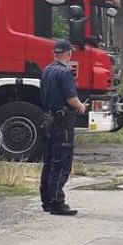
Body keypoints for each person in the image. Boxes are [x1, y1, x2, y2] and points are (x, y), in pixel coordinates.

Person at [39, 39, 87, 216]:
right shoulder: (65, 73)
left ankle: (46, 200)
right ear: (69, 54)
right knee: (61, 163)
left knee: (49, 162)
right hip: (62, 122)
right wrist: (81, 106)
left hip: (47, 120)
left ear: (54, 53)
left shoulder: (47, 70)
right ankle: (57, 202)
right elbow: (71, 98)